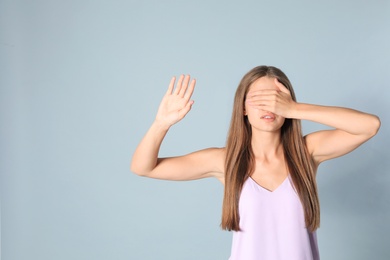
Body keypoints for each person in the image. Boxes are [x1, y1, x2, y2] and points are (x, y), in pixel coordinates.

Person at [130, 66, 380, 260]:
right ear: (243, 109)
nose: (269, 106)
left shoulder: (307, 151)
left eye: (277, 98)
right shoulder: (225, 161)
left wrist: (295, 109)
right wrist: (161, 123)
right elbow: (143, 167)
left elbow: (370, 126)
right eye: (259, 99)